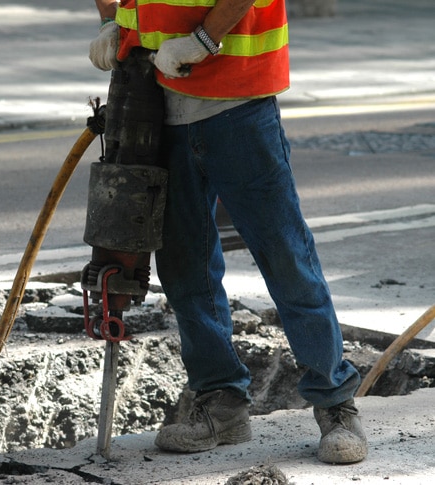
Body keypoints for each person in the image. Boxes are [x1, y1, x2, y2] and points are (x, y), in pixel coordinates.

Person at [90, 0, 367, 464]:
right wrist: (109, 20)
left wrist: (203, 39)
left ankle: (335, 403)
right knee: (183, 269)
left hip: (238, 105)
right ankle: (220, 404)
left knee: (285, 255)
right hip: (154, 104)